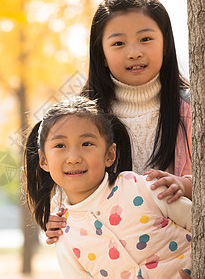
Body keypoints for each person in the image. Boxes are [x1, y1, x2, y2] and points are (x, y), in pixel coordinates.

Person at [46, 0, 192, 244]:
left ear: (166, 44)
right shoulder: (83, 118)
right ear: (100, 53)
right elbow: (68, 179)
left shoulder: (191, 109)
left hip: (179, 251)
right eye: (118, 43)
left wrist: (186, 185)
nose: (134, 52)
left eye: (146, 39)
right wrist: (58, 215)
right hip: (109, 255)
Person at [23, 96, 192, 278]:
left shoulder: (144, 189)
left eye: (86, 144)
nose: (74, 157)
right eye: (60, 145)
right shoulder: (64, 237)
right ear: (43, 160)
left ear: (110, 154)